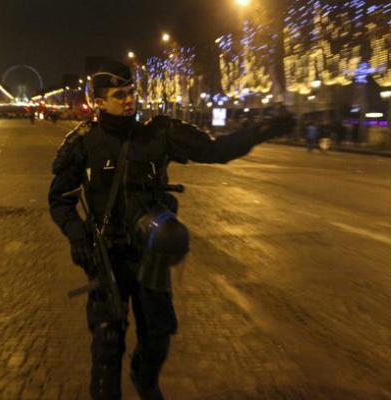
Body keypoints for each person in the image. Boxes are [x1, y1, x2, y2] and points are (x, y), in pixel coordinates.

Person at [47, 58, 294, 400]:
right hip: (106, 256)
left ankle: (144, 378)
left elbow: (215, 151)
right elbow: (59, 198)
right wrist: (77, 236)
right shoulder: (84, 142)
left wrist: (263, 129)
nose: (130, 99)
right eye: (120, 95)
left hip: (151, 255)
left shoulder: (159, 132)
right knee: (106, 342)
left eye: (132, 92)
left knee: (158, 337)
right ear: (100, 102)